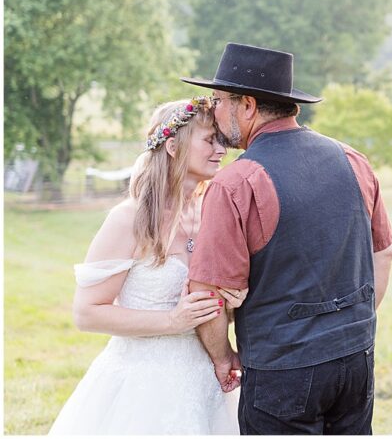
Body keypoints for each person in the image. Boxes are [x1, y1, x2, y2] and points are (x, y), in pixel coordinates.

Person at [181, 43, 392, 434]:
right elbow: (385, 253)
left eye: (217, 100)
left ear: (246, 105)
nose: (213, 110)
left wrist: (221, 355)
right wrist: (353, 325)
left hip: (283, 370)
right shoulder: (352, 159)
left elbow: (209, 291)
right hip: (356, 356)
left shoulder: (236, 182)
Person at [49, 97, 246, 434]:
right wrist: (172, 320)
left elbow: (206, 306)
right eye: (209, 140)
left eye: (222, 141)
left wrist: (232, 305)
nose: (221, 150)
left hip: (206, 380)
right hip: (143, 386)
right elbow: (87, 313)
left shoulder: (211, 212)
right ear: (172, 146)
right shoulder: (129, 218)